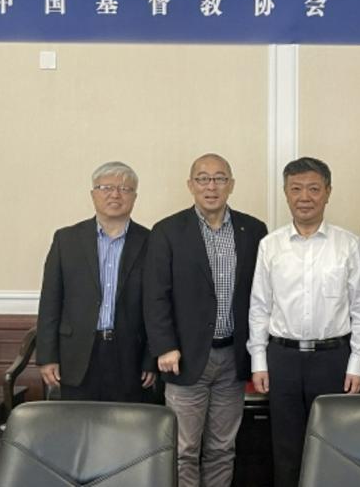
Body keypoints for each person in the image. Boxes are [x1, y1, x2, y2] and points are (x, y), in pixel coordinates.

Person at [248, 157, 360, 487]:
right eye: (296, 189)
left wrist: (357, 362)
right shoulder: (270, 245)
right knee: (286, 450)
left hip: (333, 358)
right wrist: (259, 361)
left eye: (314, 189)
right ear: (286, 193)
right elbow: (259, 307)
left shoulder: (347, 245)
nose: (305, 197)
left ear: (328, 193)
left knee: (333, 448)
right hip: (283, 359)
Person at [144, 153, 267, 487]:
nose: (211, 186)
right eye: (203, 178)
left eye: (219, 178)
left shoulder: (253, 230)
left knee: (223, 448)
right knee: (183, 449)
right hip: (184, 358)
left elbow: (262, 295)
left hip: (232, 358)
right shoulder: (168, 231)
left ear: (231, 185)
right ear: (190, 185)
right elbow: (155, 296)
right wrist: (165, 346)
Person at [36, 161, 155, 401]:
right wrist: (47, 356)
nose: (115, 194)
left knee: (126, 432)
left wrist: (151, 358)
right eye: (106, 187)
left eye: (124, 189)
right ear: (93, 194)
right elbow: (50, 301)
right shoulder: (66, 240)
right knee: (79, 431)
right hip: (77, 355)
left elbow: (158, 306)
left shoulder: (151, 242)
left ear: (135, 197)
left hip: (129, 355)